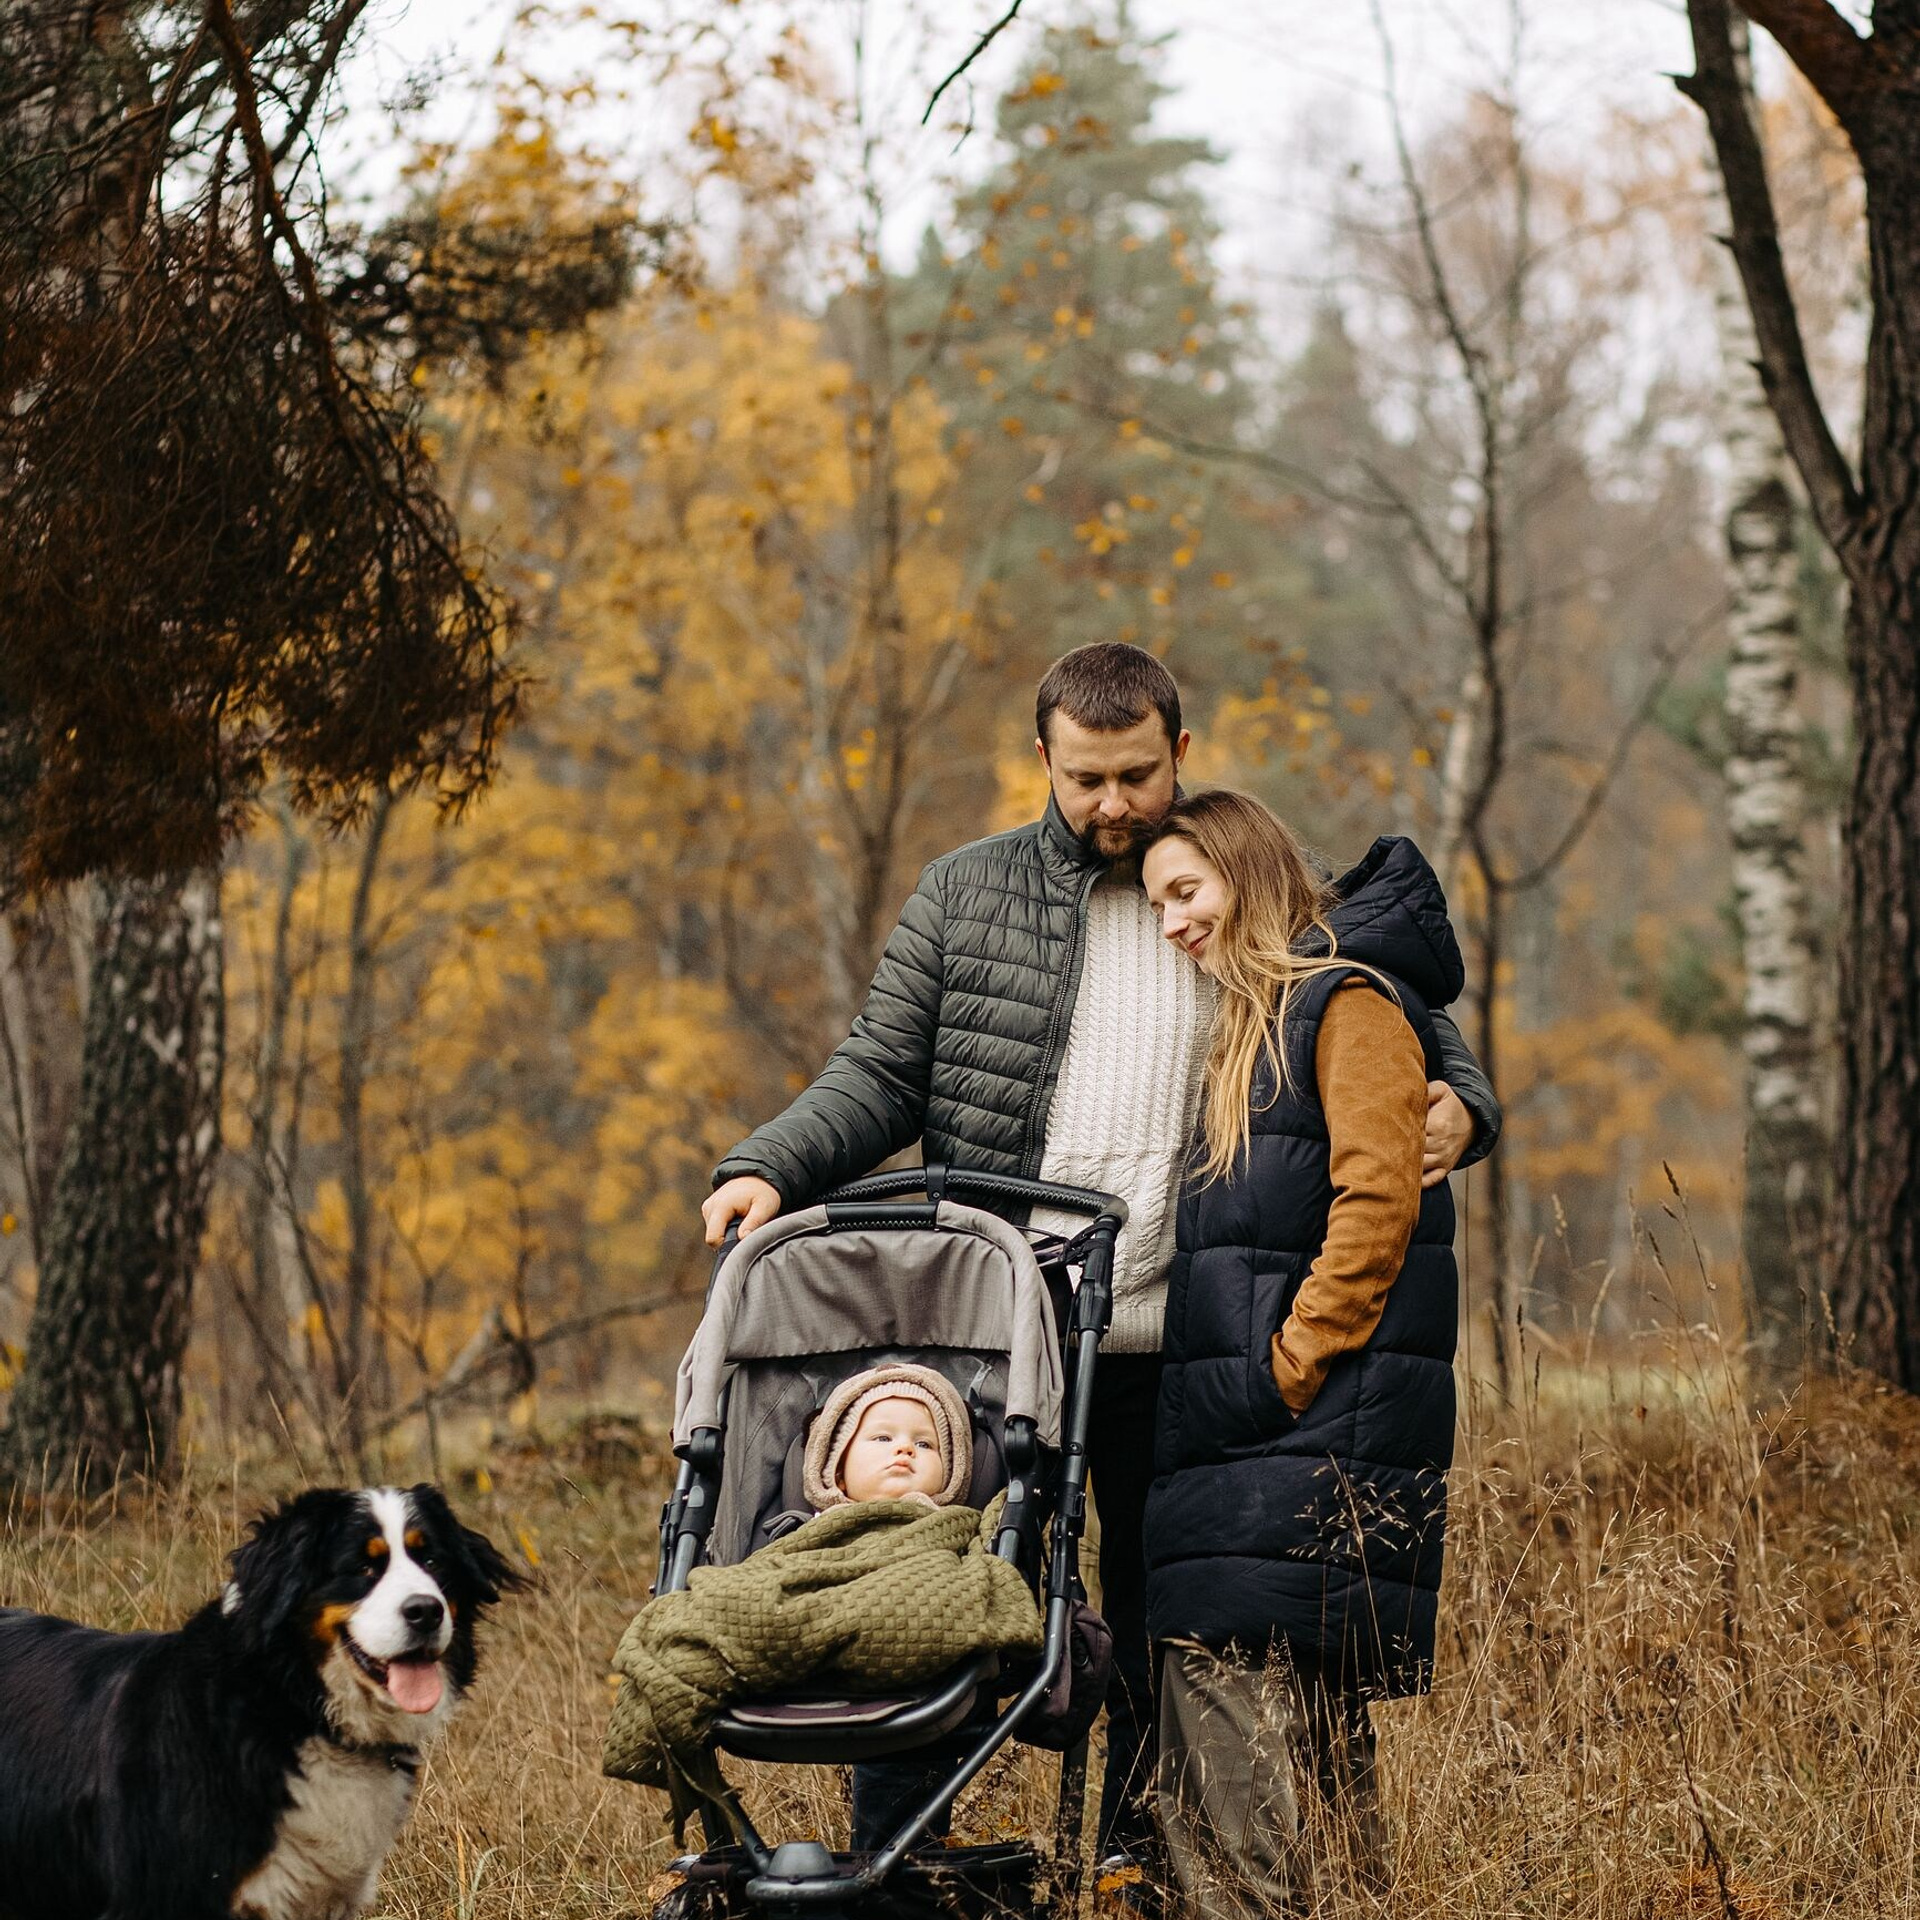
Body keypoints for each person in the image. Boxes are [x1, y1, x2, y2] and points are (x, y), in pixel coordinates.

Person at [701, 643, 1500, 1876]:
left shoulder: (1226, 885)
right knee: (925, 1591)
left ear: (1180, 754)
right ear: (1044, 763)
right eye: (1086, 779)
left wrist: (1464, 1100)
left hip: (1182, 1340)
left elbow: (1392, 1009)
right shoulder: (968, 895)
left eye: (1136, 774)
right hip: (1008, 1331)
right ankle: (896, 1869)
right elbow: (877, 1071)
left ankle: (1132, 1870)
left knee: (1156, 1619)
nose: (1113, 804)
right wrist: (769, 1164)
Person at [1139, 790, 1464, 1913]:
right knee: (1315, 1757)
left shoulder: (1343, 1001)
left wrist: (1290, 1359)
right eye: (1158, 904)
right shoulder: (1253, 1021)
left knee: (1230, 1703)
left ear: (1249, 872)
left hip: (1301, 1431)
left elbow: (1380, 1200)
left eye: (1188, 891)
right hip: (1261, 1437)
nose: (1174, 921)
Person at [803, 1364, 974, 1511]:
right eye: (883, 1438)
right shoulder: (806, 1536)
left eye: (923, 1444)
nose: (905, 1447)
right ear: (838, 1473)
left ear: (950, 1475)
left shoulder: (968, 1529)